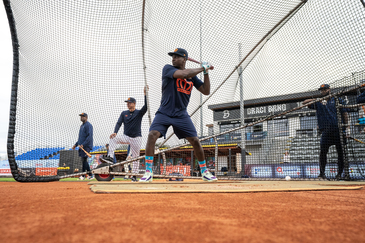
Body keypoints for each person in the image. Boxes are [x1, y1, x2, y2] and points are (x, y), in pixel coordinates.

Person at [139, 48, 217, 183]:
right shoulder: (167, 69)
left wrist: (205, 73)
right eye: (173, 56)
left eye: (177, 56)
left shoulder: (193, 76)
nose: (173, 58)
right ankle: (148, 171)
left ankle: (204, 171)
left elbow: (206, 90)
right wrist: (202, 67)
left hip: (181, 115)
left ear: (184, 59)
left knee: (196, 141)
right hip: (164, 112)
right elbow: (184, 74)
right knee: (152, 135)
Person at [100, 87, 148, 182]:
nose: (128, 104)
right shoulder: (124, 113)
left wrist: (145, 94)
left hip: (136, 138)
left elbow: (146, 107)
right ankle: (110, 157)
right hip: (126, 136)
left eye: (129, 102)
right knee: (113, 138)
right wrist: (115, 131)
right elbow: (119, 123)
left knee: (136, 157)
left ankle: (134, 176)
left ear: (134, 104)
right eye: (127, 102)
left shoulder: (139, 113)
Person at [303, 84, 349, 180]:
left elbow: (344, 113)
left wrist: (347, 129)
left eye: (324, 89)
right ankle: (322, 174)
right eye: (321, 90)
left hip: (338, 130)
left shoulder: (337, 100)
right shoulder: (319, 102)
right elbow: (304, 103)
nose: (323, 91)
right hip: (326, 131)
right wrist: (316, 100)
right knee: (323, 152)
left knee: (341, 153)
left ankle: (339, 174)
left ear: (329, 89)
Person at [72, 113, 94, 180]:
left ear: (86, 117)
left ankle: (84, 175)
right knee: (84, 160)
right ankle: (90, 175)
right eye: (81, 116)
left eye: (83, 116)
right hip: (81, 146)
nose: (81, 117)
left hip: (86, 145)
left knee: (84, 159)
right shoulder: (82, 126)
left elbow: (89, 136)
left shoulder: (88, 125)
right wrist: (76, 144)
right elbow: (80, 138)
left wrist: (83, 144)